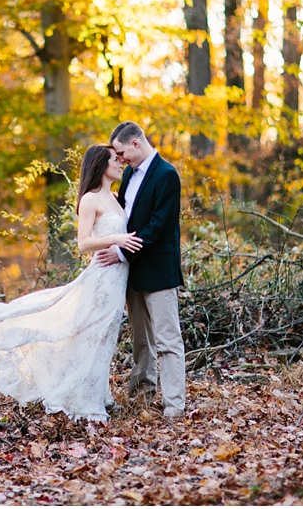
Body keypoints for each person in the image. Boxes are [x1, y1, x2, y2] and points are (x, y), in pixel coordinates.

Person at [0, 145, 141, 421]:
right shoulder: (91, 200)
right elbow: (83, 243)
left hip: (118, 280)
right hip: (101, 280)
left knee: (105, 337)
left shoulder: (115, 198)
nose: (120, 164)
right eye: (115, 160)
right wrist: (116, 240)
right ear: (101, 165)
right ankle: (82, 401)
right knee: (90, 335)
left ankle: (98, 393)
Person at [94, 121, 187, 421]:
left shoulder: (167, 175)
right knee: (141, 340)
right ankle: (142, 395)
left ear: (135, 144)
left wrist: (120, 251)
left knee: (168, 340)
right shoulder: (130, 174)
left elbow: (158, 226)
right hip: (132, 271)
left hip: (158, 270)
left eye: (121, 153)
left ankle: (174, 406)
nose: (119, 160)